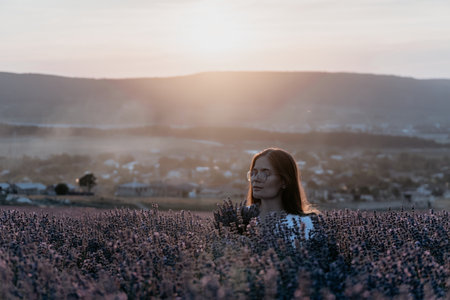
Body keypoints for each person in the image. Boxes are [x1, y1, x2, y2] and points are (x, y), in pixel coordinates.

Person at [246, 147, 318, 240]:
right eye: (254, 173)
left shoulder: (306, 224)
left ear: (284, 181)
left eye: (265, 173)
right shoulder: (239, 218)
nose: (256, 178)